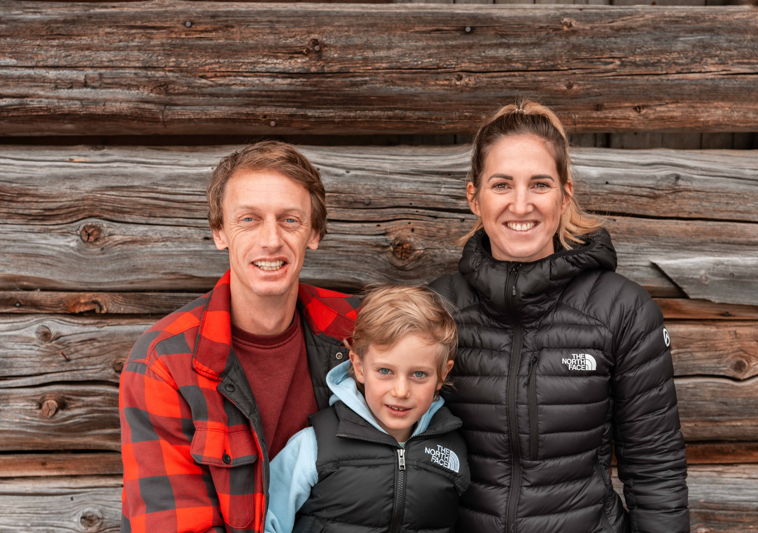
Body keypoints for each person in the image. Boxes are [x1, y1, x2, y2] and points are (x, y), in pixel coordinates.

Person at [430, 101, 689, 533]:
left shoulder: (621, 309)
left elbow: (655, 465)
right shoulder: (439, 307)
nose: (520, 203)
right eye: (501, 185)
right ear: (474, 197)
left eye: (539, 184)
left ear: (565, 194)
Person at [119, 141, 359, 533]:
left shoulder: (356, 330)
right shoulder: (164, 362)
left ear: (313, 233)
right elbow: (174, 525)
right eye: (249, 219)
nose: (270, 240)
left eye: (290, 220)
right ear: (219, 232)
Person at [264, 285, 470, 533]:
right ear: (359, 367)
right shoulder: (314, 446)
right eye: (385, 371)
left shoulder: (452, 450)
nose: (401, 391)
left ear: (442, 374)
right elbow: (269, 521)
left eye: (418, 374)